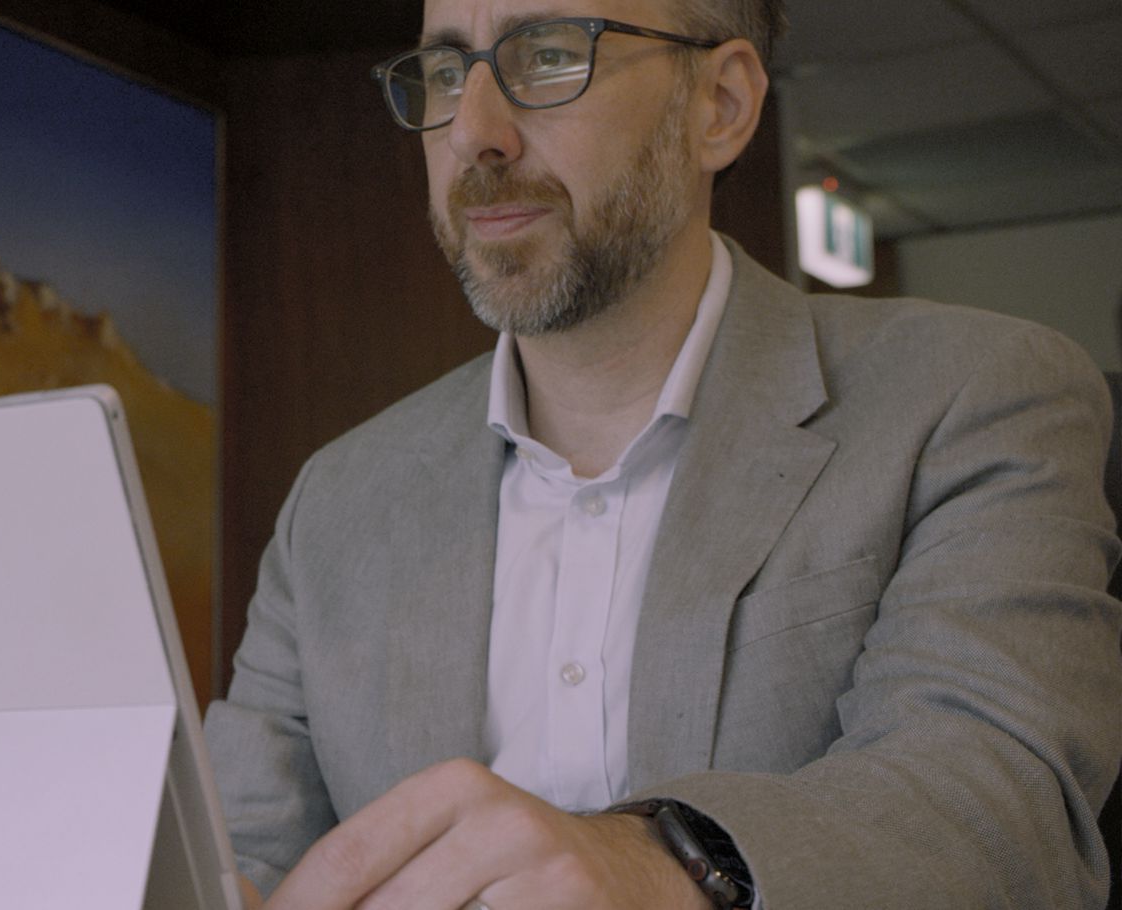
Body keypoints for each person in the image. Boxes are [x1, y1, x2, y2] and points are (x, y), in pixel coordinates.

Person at [202, 0, 1122, 907]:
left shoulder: (972, 394)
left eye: (551, 53)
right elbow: (241, 851)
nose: (474, 132)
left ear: (718, 104)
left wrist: (663, 866)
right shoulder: (338, 497)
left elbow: (1009, 811)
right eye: (448, 71)